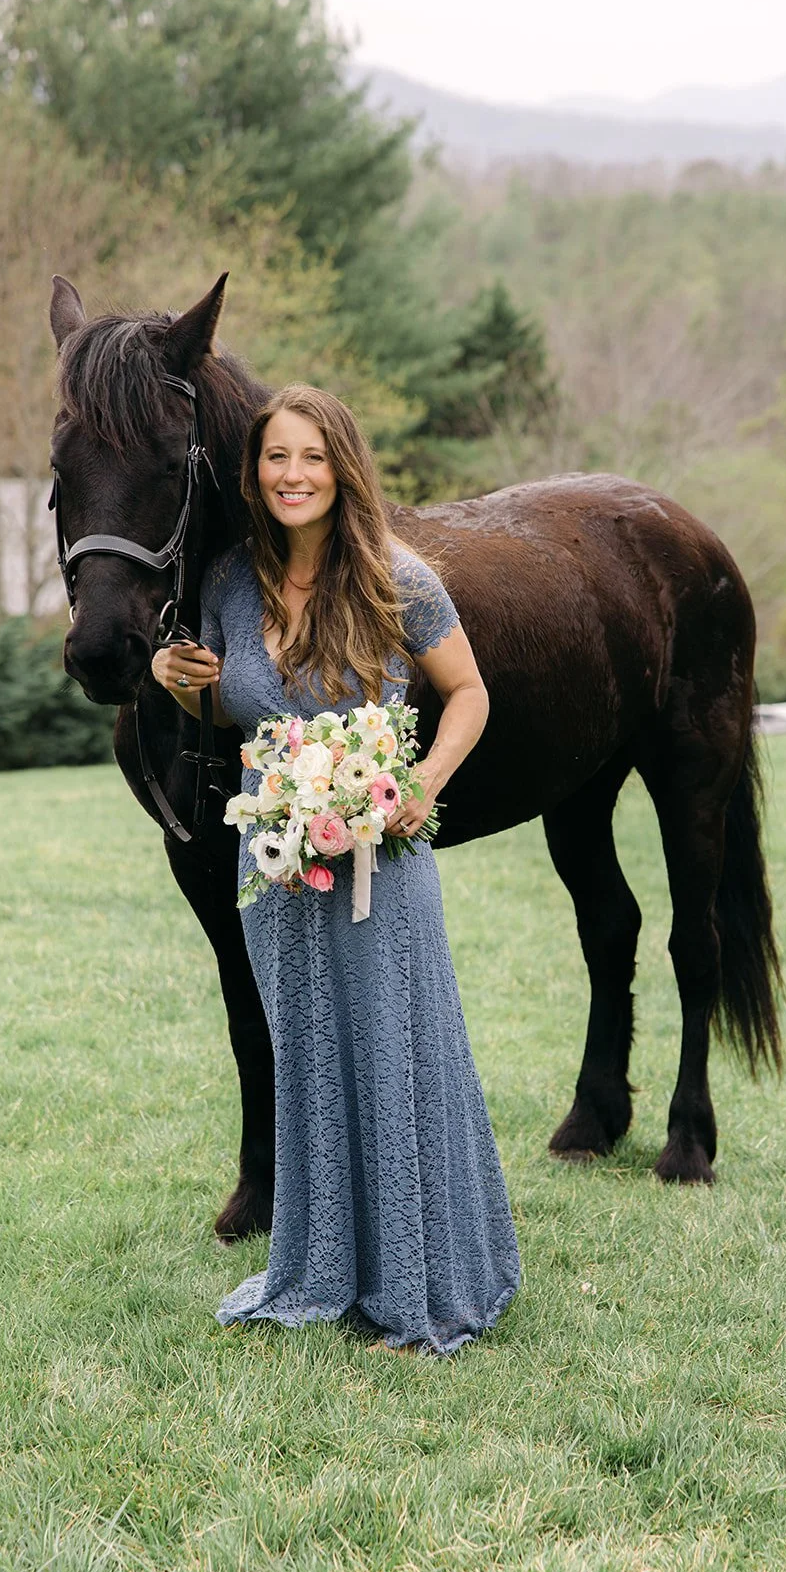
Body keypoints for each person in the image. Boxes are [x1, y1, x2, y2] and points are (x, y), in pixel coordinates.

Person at [151, 384, 519, 1355]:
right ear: (254, 472)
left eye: (311, 456)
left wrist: (422, 780)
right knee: (306, 1058)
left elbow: (469, 692)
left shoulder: (398, 577)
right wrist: (179, 689)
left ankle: (418, 1275)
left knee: (393, 1053)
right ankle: (324, 1264)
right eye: (275, 457)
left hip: (378, 861)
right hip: (272, 865)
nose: (292, 475)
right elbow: (237, 710)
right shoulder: (232, 582)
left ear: (341, 466)